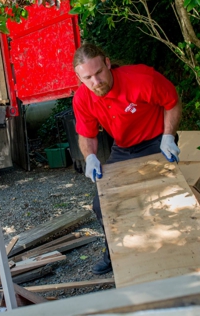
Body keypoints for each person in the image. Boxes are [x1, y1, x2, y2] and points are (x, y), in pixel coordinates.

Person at [73, 43, 182, 275]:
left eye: (99, 72)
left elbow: (172, 102)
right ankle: (114, 251)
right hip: (122, 147)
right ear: (79, 77)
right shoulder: (83, 98)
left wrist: (169, 136)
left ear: (108, 63)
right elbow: (87, 134)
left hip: (156, 141)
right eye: (88, 77)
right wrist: (90, 156)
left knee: (161, 196)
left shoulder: (142, 78)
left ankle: (174, 252)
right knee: (102, 204)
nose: (96, 82)